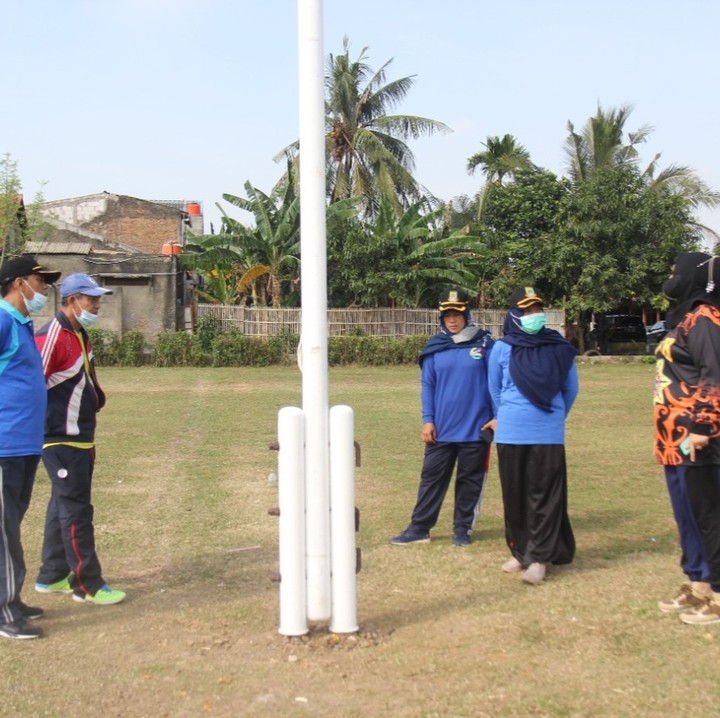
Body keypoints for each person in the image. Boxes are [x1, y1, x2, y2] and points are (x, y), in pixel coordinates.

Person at [33, 272, 126, 606]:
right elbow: (33, 385)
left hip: (79, 437)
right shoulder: (54, 335)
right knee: (76, 512)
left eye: (98, 298)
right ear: (72, 301)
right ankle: (87, 584)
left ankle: (52, 575)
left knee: (62, 505)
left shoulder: (79, 334)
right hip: (61, 440)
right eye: (91, 299)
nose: (97, 305)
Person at [486, 286, 578, 584]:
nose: (533, 315)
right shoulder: (502, 348)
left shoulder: (559, 348)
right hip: (511, 432)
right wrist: (509, 417)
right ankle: (519, 551)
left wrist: (552, 417)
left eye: (537, 309)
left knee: (544, 496)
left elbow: (570, 389)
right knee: (515, 495)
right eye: (526, 311)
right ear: (513, 314)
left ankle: (539, 558)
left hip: (547, 432)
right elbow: (495, 389)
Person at [390, 288, 495, 546]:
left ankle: (462, 530)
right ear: (441, 318)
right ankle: (419, 529)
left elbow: (496, 383)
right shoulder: (434, 347)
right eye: (447, 314)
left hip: (476, 428)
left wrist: (497, 417)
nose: (452, 319)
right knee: (431, 479)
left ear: (466, 314)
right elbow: (428, 385)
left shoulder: (484, 343)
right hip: (441, 430)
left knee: (469, 482)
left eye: (457, 313)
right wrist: (428, 420)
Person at [653, 253, 720, 624]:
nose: (670, 278)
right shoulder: (682, 318)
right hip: (671, 438)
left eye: (675, 272)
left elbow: (715, 377)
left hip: (697, 437)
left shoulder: (706, 319)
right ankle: (699, 585)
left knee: (709, 516)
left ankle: (717, 594)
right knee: (688, 517)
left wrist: (701, 428)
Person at [0, 255, 61, 639]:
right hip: (4, 443)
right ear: (19, 283)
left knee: (11, 524)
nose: (45, 289)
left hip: (23, 443)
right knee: (3, 530)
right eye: (41, 281)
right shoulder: (4, 320)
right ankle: (5, 611)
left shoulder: (22, 323)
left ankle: (12, 597)